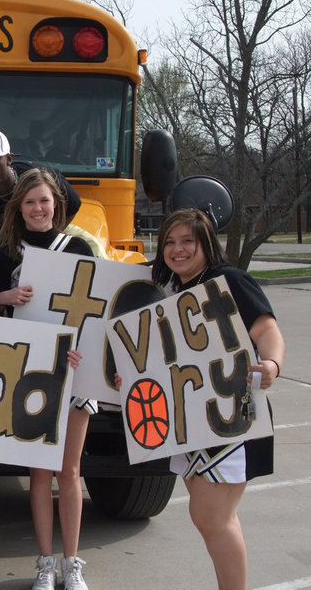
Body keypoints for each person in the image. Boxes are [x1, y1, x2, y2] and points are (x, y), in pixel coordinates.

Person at [148, 208, 284, 590]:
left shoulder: (229, 280)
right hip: (190, 413)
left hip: (231, 412)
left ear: (206, 243)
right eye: (170, 242)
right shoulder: (169, 291)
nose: (177, 250)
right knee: (209, 517)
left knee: (213, 517)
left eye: (187, 241)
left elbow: (266, 328)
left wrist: (272, 363)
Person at [0, 167, 93, 590]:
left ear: (56, 204)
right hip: (27, 372)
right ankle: (44, 563)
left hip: (73, 370)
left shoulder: (79, 247)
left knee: (70, 470)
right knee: (40, 473)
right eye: (29, 202)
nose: (37, 208)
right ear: (19, 208)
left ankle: (72, 564)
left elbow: (95, 310)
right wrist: (3, 298)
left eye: (44, 200)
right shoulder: (7, 255)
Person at [0, 128, 82, 257]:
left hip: (48, 227)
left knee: (92, 246)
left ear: (9, 159)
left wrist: (45, 237)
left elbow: (74, 204)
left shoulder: (40, 177)